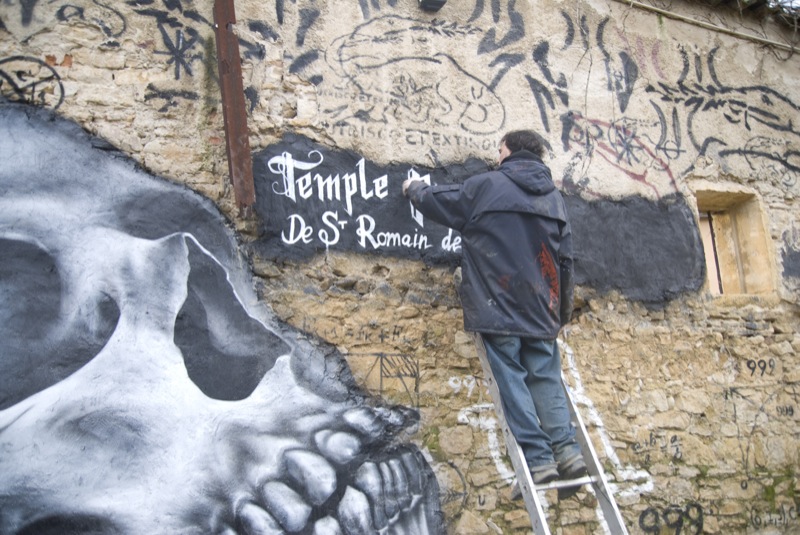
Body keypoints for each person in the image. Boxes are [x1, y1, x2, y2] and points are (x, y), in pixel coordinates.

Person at [403, 129, 586, 498]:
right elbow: (565, 261)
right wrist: (559, 315)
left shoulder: (486, 186)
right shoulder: (554, 199)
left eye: (498, 149)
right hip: (541, 309)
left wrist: (412, 188)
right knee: (545, 378)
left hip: (497, 305)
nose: (496, 156)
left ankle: (538, 461)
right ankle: (568, 454)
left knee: (513, 380)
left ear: (508, 151)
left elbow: (441, 200)